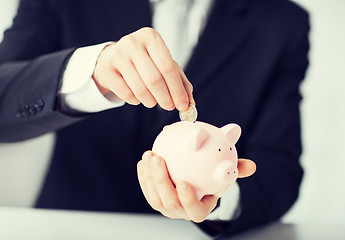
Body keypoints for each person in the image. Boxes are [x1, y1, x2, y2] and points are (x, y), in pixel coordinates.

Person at [0, 0, 309, 238]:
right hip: (69, 227)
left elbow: (279, 171)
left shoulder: (282, 22)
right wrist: (91, 71)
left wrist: (217, 195)